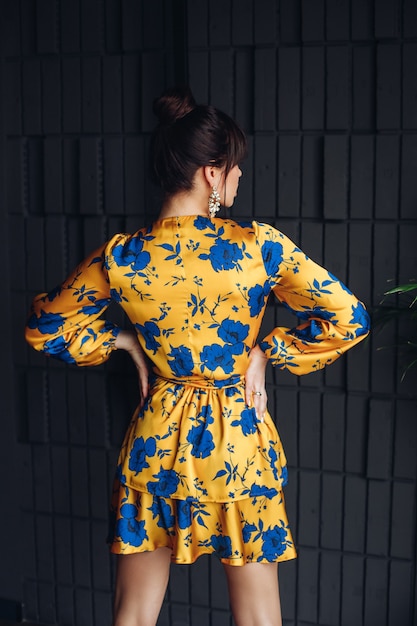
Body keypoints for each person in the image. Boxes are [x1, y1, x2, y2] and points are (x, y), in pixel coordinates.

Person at [25, 85, 370, 626]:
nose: (239, 178)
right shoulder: (260, 247)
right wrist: (267, 351)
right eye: (236, 168)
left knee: (133, 615)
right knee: (259, 618)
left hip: (156, 446)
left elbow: (46, 328)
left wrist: (123, 341)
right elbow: (350, 318)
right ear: (213, 172)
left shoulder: (123, 256)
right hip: (238, 441)